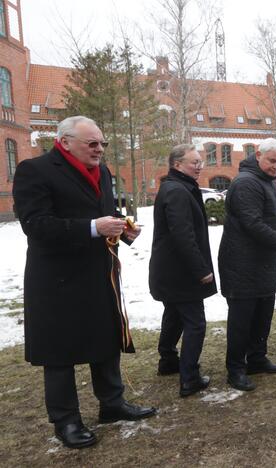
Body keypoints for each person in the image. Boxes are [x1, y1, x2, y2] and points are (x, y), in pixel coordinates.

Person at [12, 116, 156, 449]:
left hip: (98, 273)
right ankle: (66, 420)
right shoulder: (35, 170)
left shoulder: (102, 172)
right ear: (64, 142)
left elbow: (104, 214)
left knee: (105, 341)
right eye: (92, 143)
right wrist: (93, 227)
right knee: (59, 352)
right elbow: (37, 226)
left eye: (102, 143)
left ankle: (112, 403)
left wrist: (123, 228)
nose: (100, 150)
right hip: (56, 280)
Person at [218, 138, 276, 391]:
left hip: (263, 265)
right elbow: (253, 224)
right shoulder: (246, 183)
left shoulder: (266, 181)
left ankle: (256, 359)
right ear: (258, 155)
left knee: (262, 315)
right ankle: (235, 369)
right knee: (241, 320)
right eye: (272, 161)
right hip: (242, 265)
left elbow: (275, 215)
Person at [149, 144, 216, 397]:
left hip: (170, 271)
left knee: (174, 315)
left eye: (200, 162)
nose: (199, 166)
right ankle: (189, 378)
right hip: (182, 273)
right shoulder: (177, 191)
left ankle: (168, 361)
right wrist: (201, 270)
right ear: (177, 165)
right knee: (195, 323)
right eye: (194, 162)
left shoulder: (176, 187)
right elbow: (183, 235)